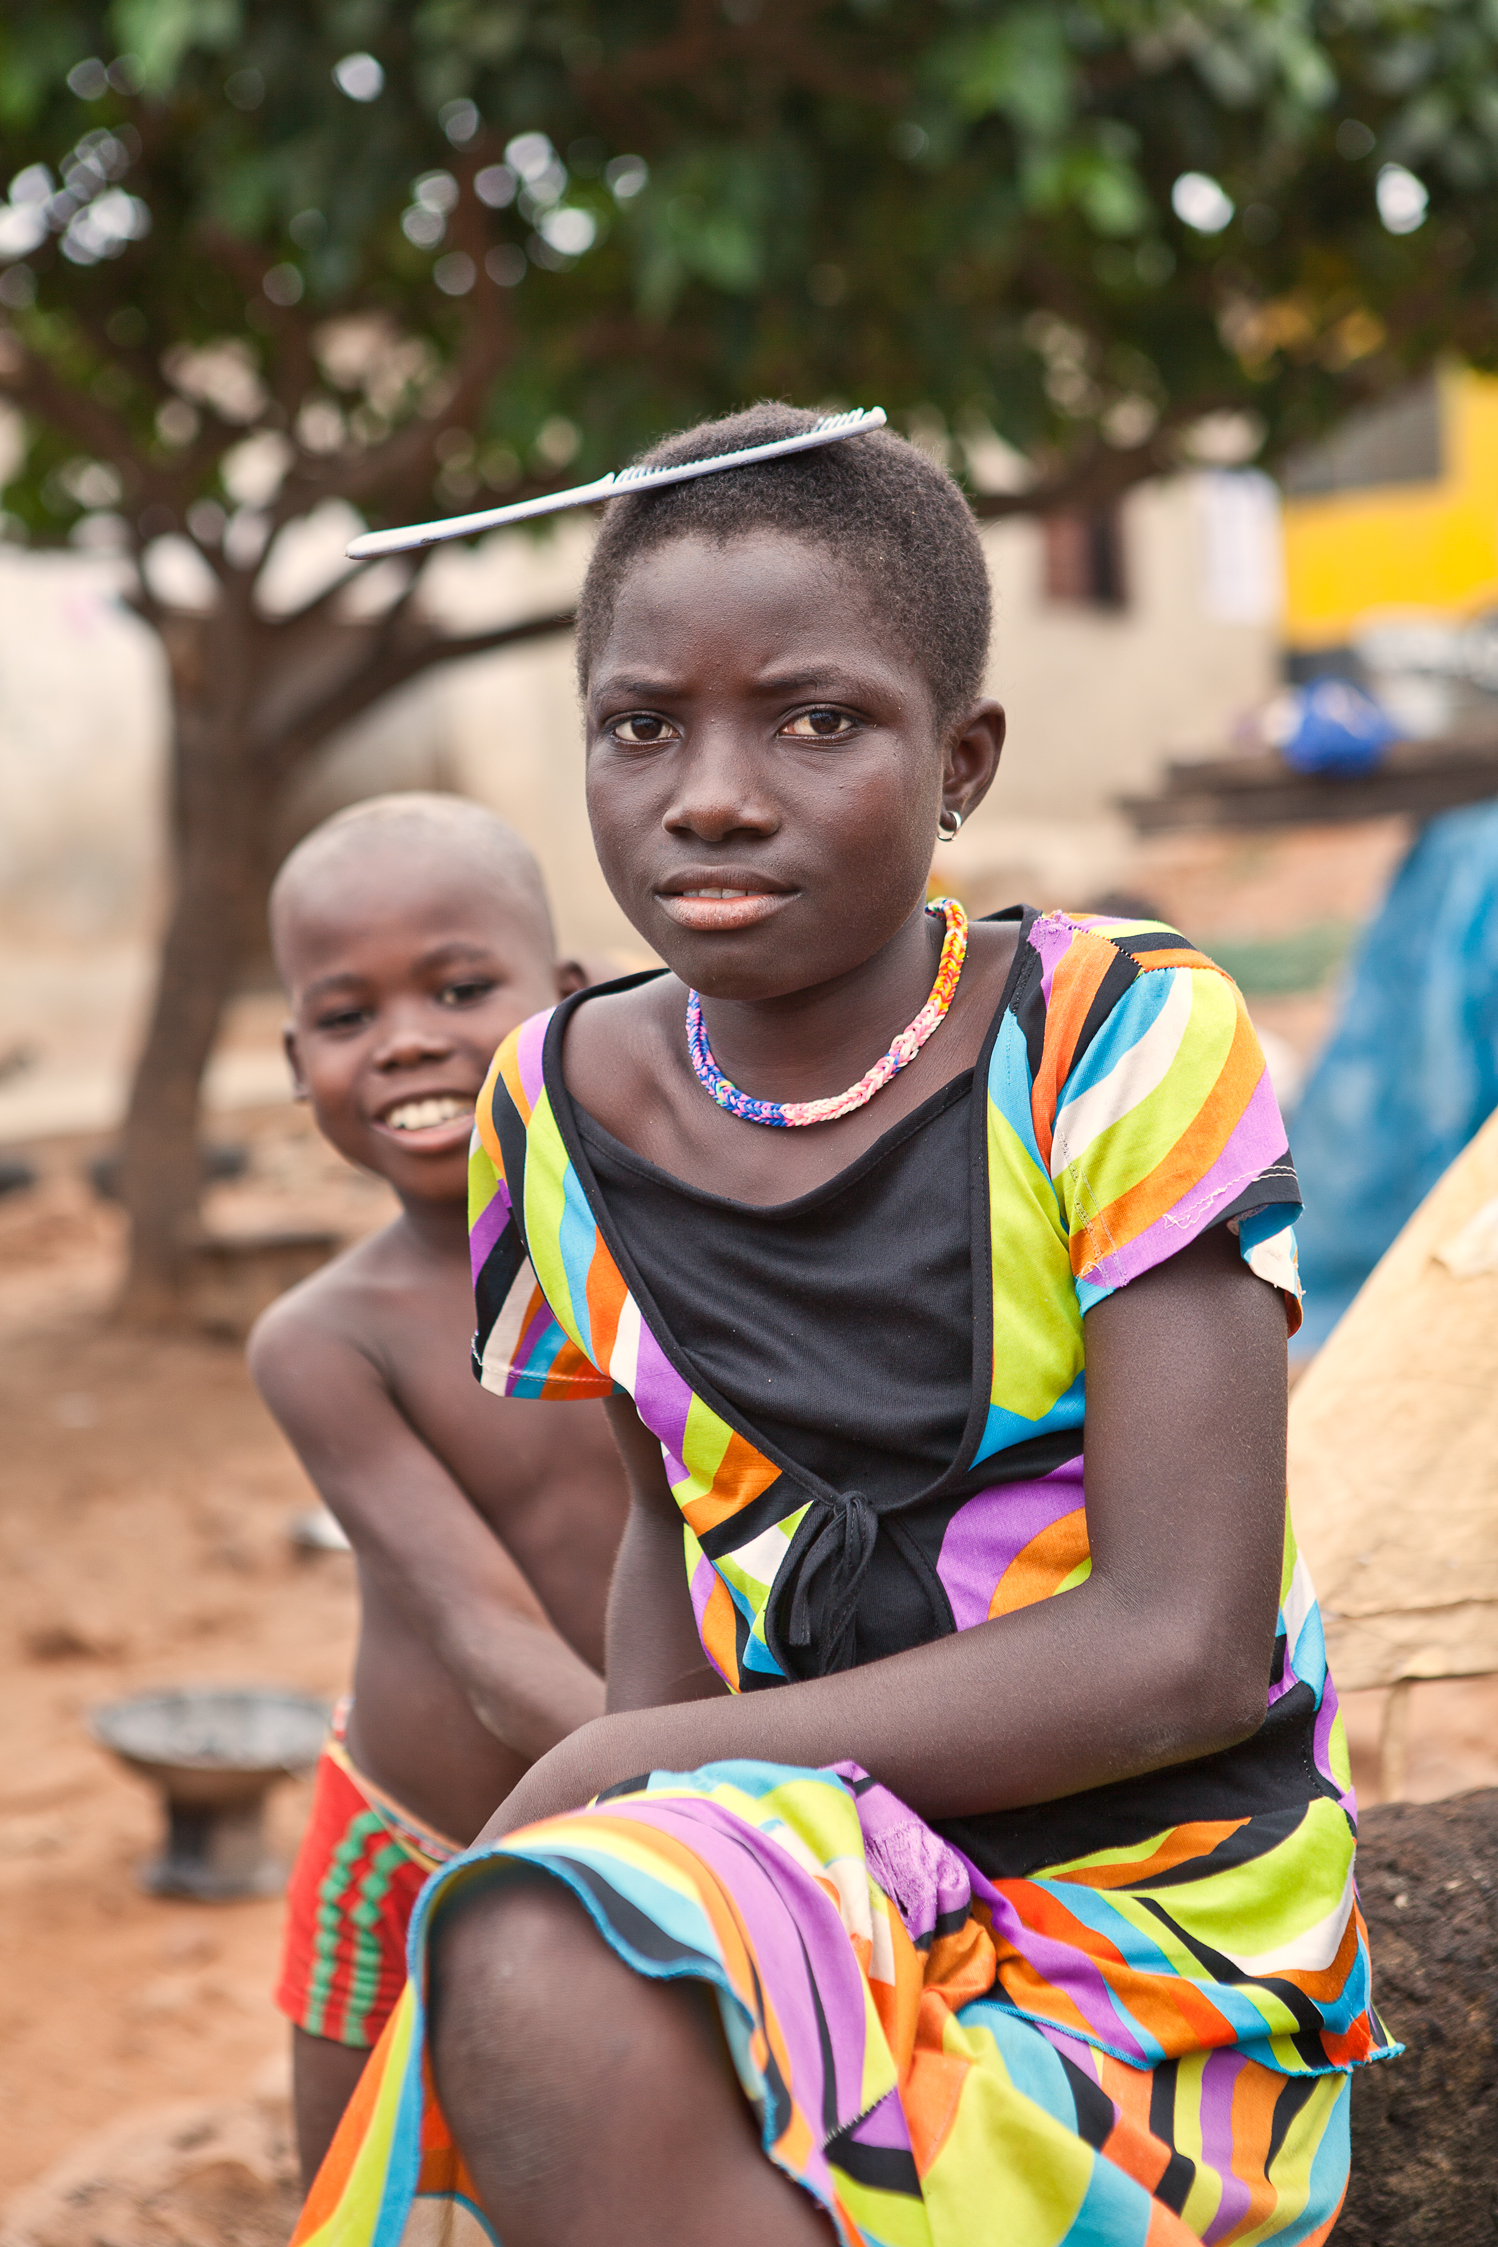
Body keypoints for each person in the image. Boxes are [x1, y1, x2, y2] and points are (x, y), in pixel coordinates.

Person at [293, 412, 1395, 2247]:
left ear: (959, 759)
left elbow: (1185, 1646)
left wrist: (623, 1772)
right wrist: (639, 1821)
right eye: (641, 726)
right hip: (802, 1849)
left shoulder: (1115, 1037)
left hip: (1147, 1890)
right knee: (544, 1946)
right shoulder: (549, 1103)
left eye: (814, 721)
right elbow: (673, 1507)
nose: (709, 795)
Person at [249, 795, 629, 2185]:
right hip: (410, 1838)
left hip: (669, 1803)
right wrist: (736, 1793)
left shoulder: (686, 1257)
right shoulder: (324, 1341)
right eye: (346, 1018)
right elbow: (485, 1649)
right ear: (298, 1064)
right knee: (363, 2187)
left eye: (461, 988)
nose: (406, 1038)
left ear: (567, 997)